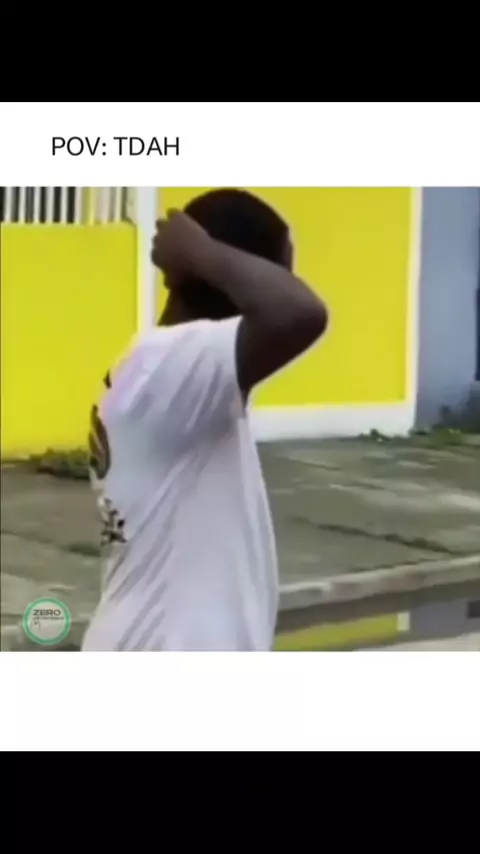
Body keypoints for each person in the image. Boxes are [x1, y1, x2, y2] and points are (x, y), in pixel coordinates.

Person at [82, 189, 328, 651]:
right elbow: (300, 314)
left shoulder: (164, 372)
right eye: (279, 270)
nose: (285, 282)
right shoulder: (171, 364)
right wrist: (197, 251)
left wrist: (200, 256)